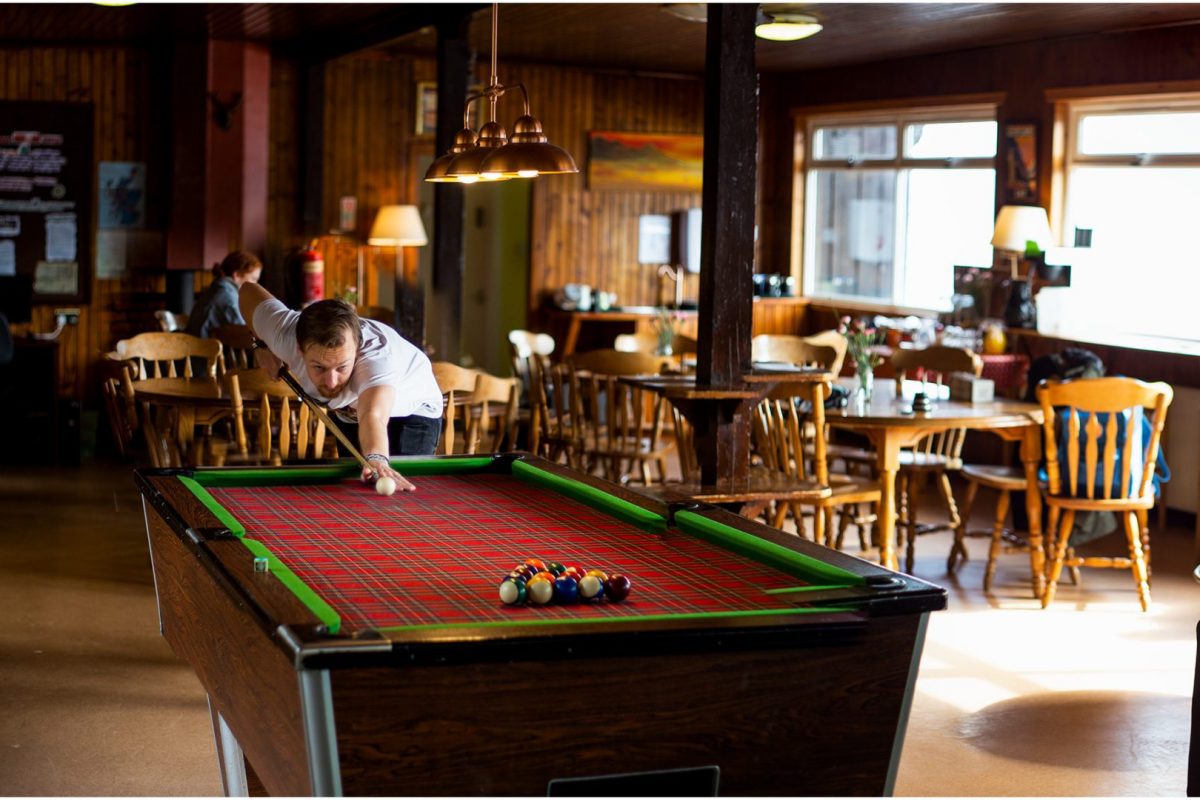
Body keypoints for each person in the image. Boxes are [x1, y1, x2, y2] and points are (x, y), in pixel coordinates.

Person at [239, 283, 443, 491]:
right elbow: (247, 291)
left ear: (356, 348)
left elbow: (373, 415)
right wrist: (260, 344)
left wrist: (377, 458)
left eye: (342, 367)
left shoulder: (376, 360)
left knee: (396, 491)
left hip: (413, 410)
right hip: (351, 412)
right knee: (357, 489)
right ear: (299, 348)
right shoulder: (284, 334)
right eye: (319, 367)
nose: (331, 381)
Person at [185, 251, 263, 339]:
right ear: (236, 275)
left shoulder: (218, 288)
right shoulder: (227, 295)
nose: (256, 284)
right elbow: (245, 333)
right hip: (203, 350)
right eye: (253, 279)